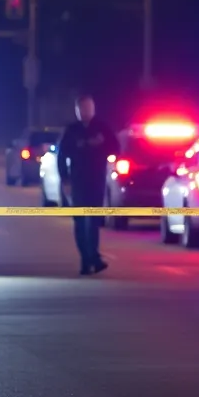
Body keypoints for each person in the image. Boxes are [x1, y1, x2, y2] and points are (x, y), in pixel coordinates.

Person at [56, 95, 120, 275]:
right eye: (82, 108)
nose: (86, 111)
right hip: (78, 182)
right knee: (80, 221)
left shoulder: (102, 128)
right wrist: (65, 179)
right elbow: (62, 156)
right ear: (77, 110)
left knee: (93, 221)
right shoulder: (72, 130)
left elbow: (115, 148)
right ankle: (87, 259)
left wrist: (101, 145)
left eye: (89, 107)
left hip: (97, 181)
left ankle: (93, 257)